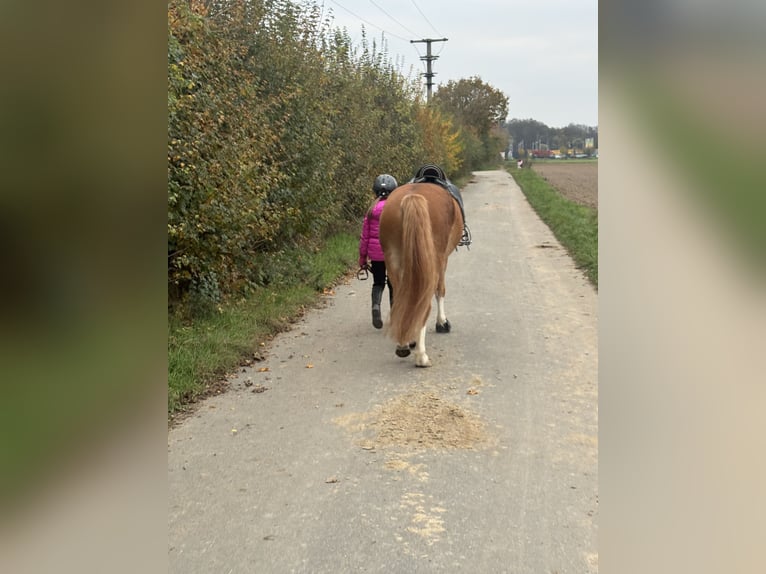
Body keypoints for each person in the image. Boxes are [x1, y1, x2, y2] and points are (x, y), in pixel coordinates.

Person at [358, 174, 397, 329]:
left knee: (378, 282)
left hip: (375, 254)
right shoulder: (395, 209)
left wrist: (362, 258)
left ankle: (376, 306)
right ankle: (394, 315)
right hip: (393, 253)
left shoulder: (371, 210)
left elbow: (364, 237)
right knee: (394, 283)